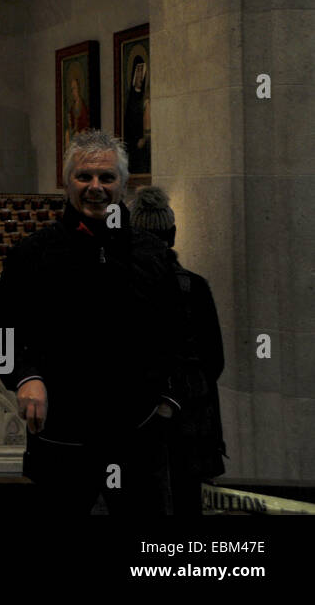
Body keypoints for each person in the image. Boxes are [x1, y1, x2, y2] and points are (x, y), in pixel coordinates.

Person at [0, 129, 188, 515]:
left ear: (124, 184)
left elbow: (181, 336)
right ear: (67, 182)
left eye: (107, 178)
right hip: (62, 436)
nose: (96, 187)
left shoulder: (153, 254)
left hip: (138, 435)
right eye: (84, 177)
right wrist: (26, 377)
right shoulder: (34, 253)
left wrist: (168, 400)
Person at [131, 185, 226, 514]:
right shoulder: (194, 286)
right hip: (192, 412)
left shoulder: (122, 285)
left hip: (137, 413)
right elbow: (215, 359)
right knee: (187, 501)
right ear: (172, 234)